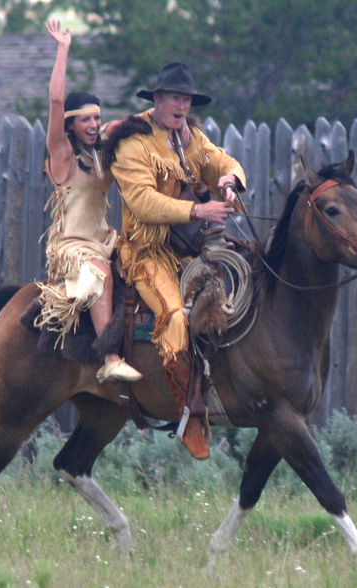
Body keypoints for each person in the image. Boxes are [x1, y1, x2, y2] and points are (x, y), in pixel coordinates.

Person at [108, 62, 246, 459]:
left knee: (237, 294)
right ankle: (191, 417)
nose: (181, 105)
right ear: (157, 100)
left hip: (189, 249)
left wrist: (229, 181)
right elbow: (142, 202)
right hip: (146, 251)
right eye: (174, 98)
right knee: (174, 315)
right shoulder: (132, 143)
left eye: (186, 99)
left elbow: (222, 160)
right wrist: (199, 212)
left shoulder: (190, 139)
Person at [33, 19, 141, 384]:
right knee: (99, 271)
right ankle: (109, 356)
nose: (95, 124)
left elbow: (128, 123)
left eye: (97, 117)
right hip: (73, 246)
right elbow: (56, 100)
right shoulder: (61, 155)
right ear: (70, 125)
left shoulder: (100, 153)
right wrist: (63, 48)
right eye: (86, 120)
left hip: (104, 237)